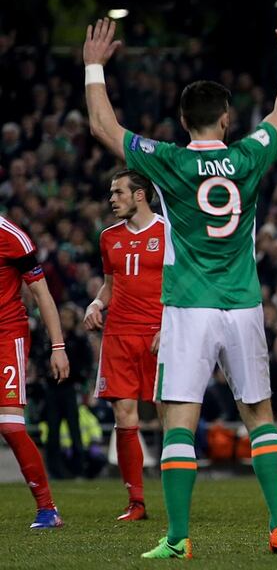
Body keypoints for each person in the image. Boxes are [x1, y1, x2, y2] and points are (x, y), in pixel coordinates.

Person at [83, 11, 277, 558]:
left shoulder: (170, 161)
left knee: (179, 420)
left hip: (188, 307)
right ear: (227, 118)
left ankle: (179, 538)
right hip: (243, 304)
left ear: (183, 120)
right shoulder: (249, 155)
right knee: (260, 417)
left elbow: (104, 129)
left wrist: (94, 67)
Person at [83, 169, 163, 522]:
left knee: (171, 416)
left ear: (140, 195)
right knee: (123, 416)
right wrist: (96, 304)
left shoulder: (169, 232)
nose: (111, 199)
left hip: (160, 336)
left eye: (118, 192)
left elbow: (185, 284)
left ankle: (178, 496)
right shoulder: (108, 237)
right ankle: (137, 502)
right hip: (118, 336)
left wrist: (173, 327)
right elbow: (109, 286)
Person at [0, 214, 70, 529]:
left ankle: (47, 509)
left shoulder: (11, 236)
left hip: (6, 335)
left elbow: (42, 294)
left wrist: (58, 347)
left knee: (10, 425)